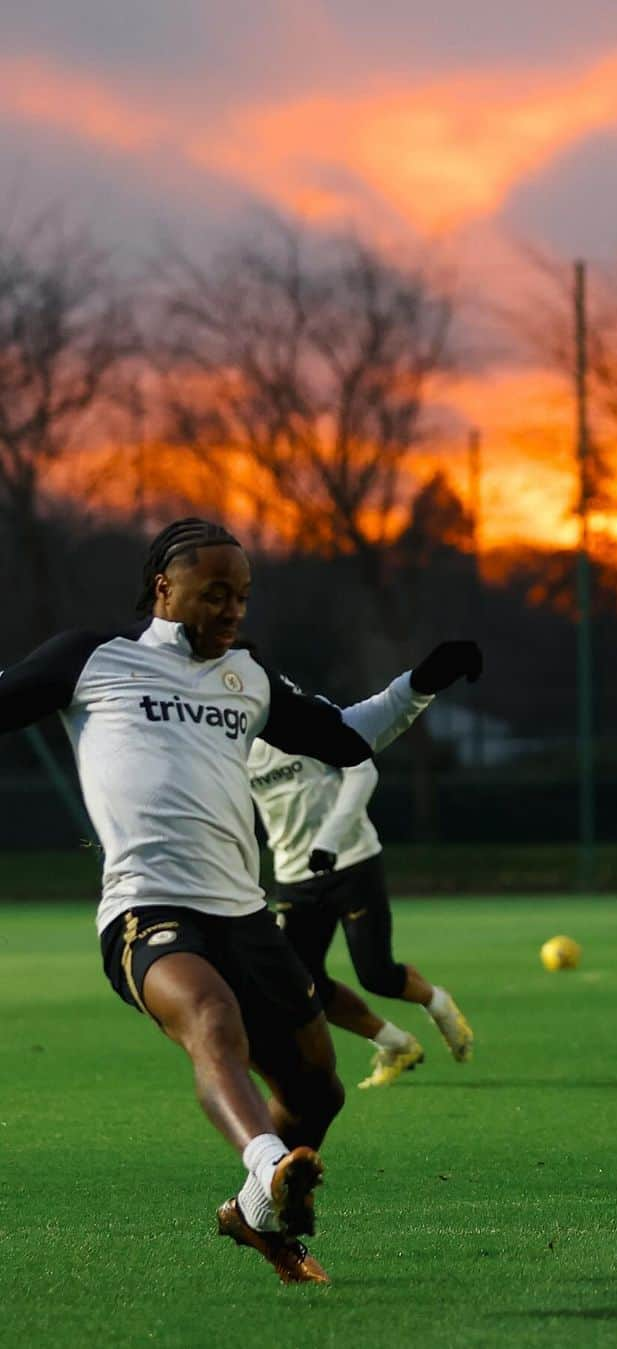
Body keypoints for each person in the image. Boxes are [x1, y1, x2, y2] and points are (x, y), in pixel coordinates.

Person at [0, 517, 482, 1286]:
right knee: (211, 1018)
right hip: (145, 906)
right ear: (164, 588)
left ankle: (252, 1215)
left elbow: (346, 739)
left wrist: (419, 683)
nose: (233, 610)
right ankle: (269, 1166)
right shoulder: (92, 659)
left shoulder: (247, 675)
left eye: (243, 597)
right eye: (216, 593)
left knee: (318, 1089)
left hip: (246, 913)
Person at [248, 739, 473, 1087]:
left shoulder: (299, 717)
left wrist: (330, 839)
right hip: (294, 875)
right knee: (299, 984)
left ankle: (438, 1002)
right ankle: (396, 1044)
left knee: (377, 975)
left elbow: (362, 769)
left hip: (352, 861)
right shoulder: (232, 736)